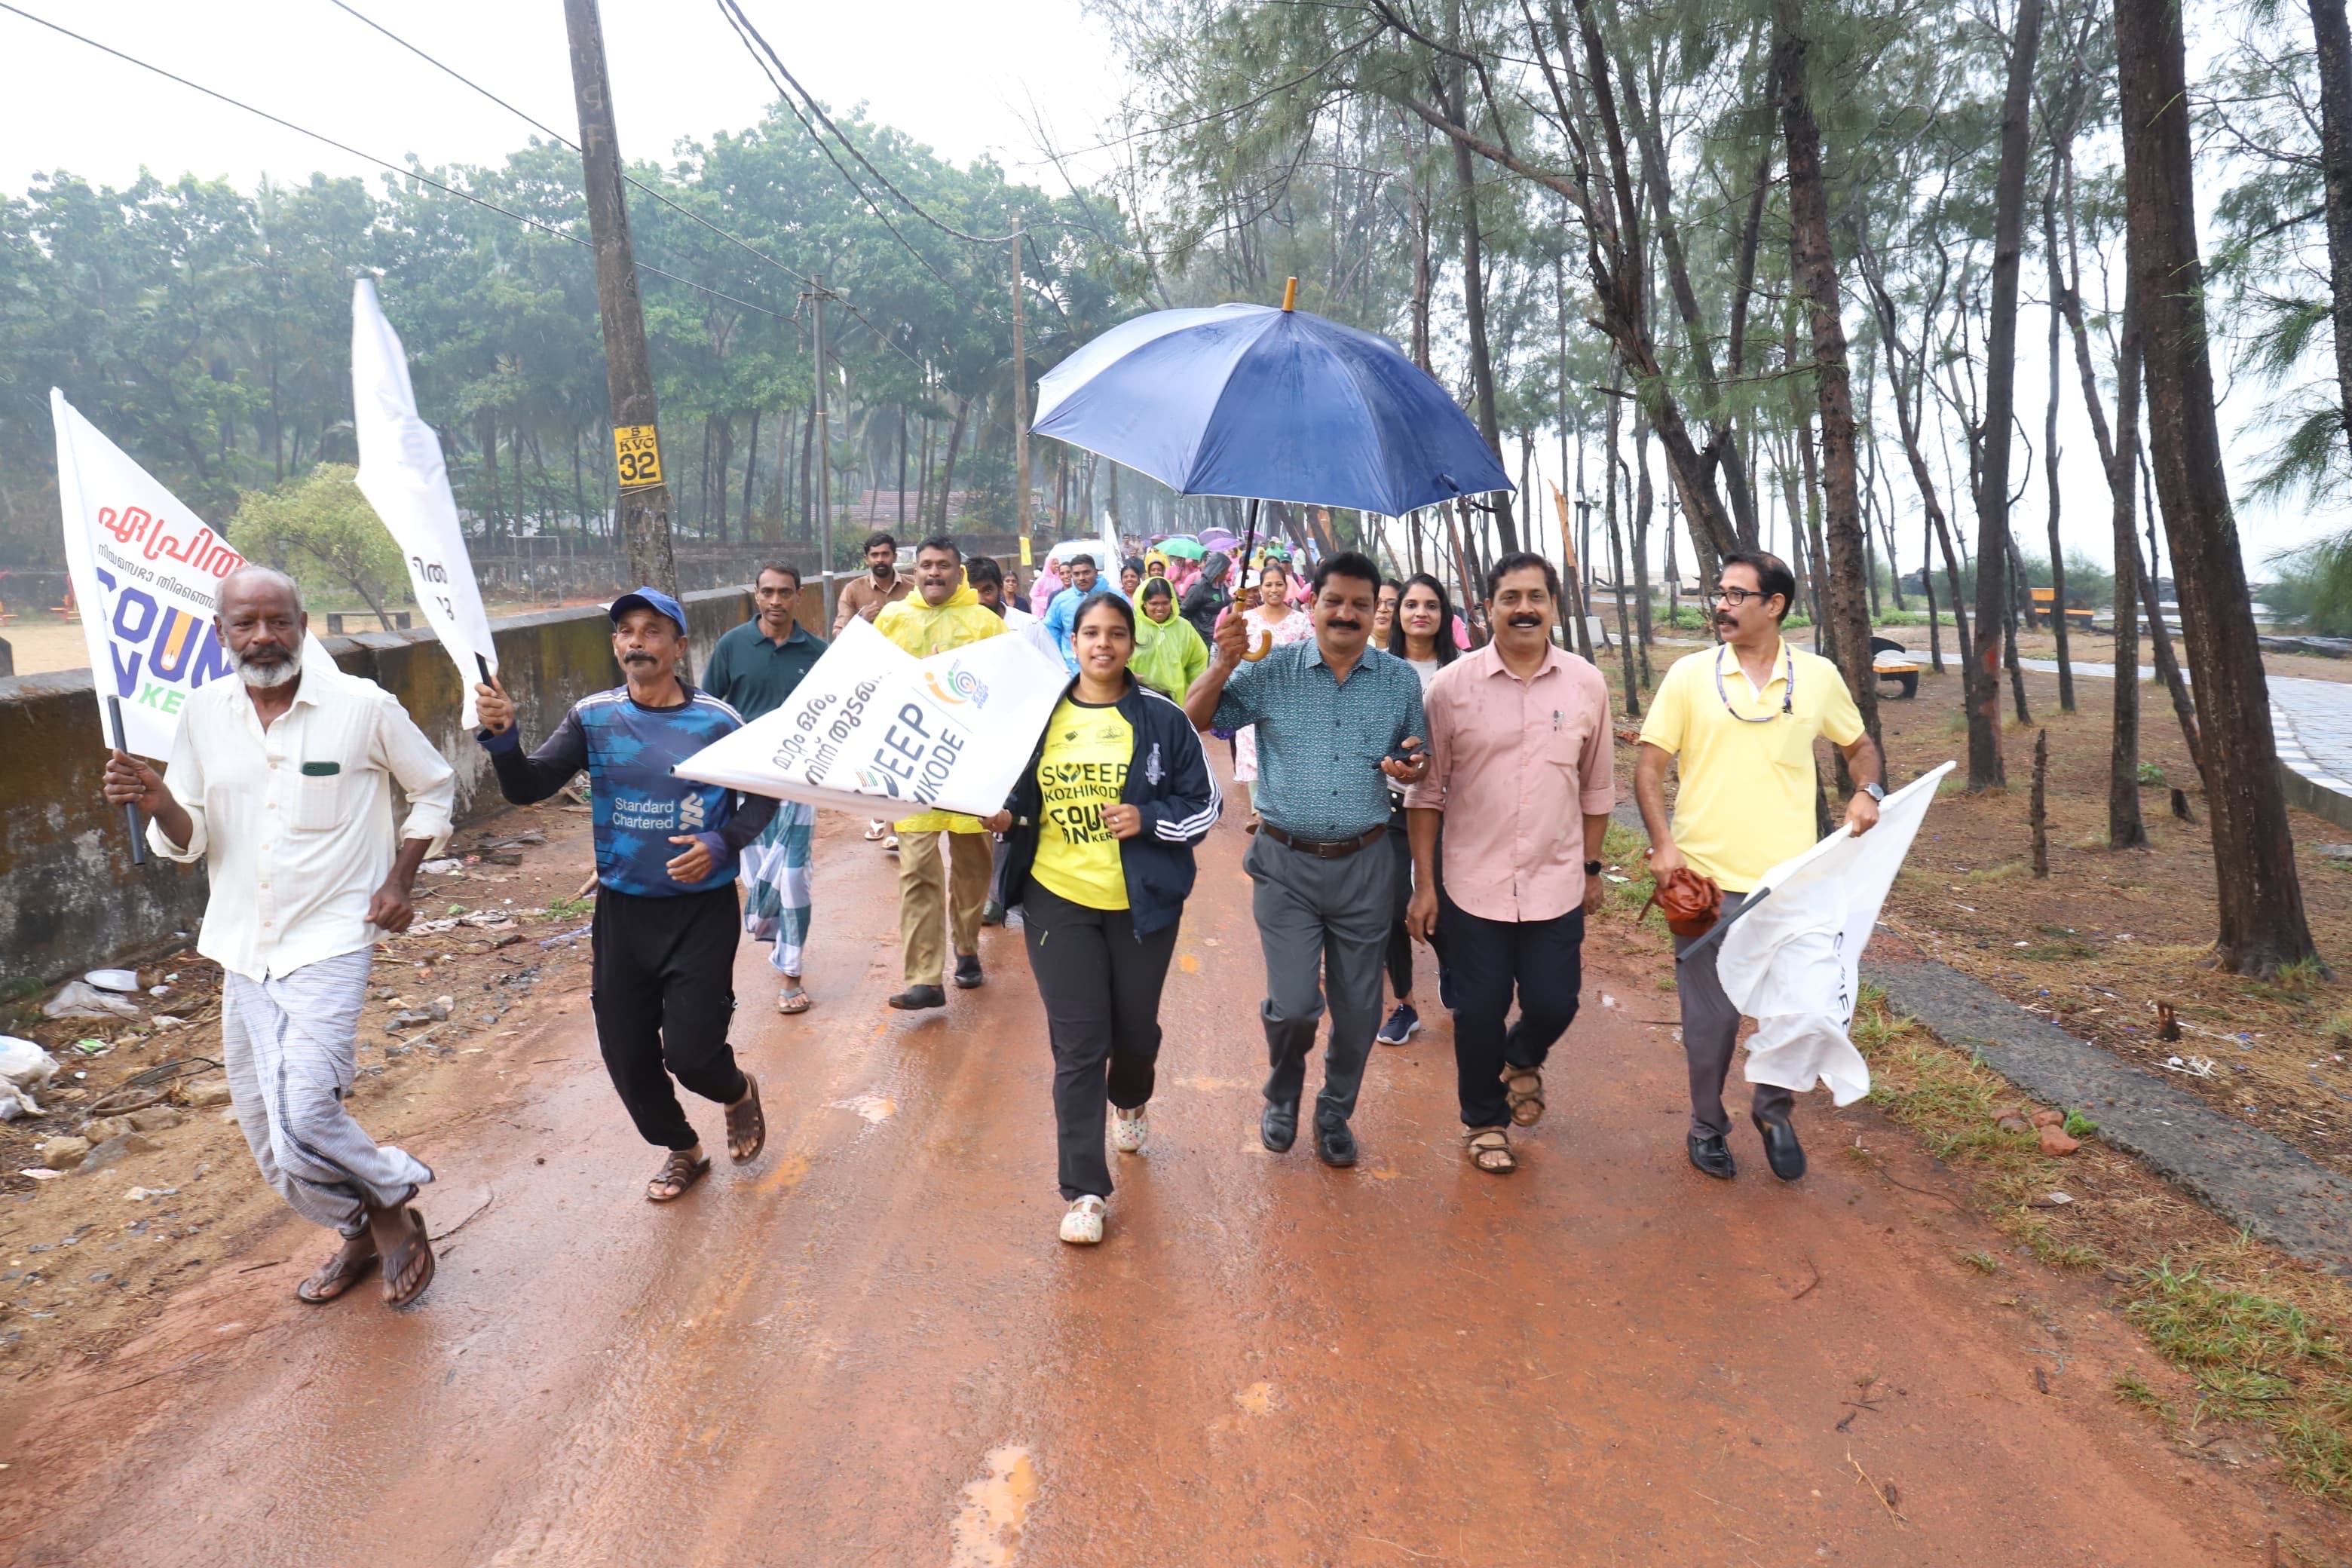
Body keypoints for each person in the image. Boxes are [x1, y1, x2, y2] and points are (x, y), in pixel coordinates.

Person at [104, 565, 448, 1308]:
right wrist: (160, 803)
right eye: (246, 624)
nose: (264, 637)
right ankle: (355, 1224)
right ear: (221, 634)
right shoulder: (201, 714)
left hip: (331, 937)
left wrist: (400, 879)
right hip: (240, 947)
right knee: (269, 1144)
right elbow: (189, 839)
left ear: (302, 623)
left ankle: (393, 1198)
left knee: (305, 1114)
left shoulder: (362, 707)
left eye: (278, 621)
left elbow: (435, 788)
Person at [474, 586, 773, 1203]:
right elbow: (529, 787)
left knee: (691, 1054)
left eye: (652, 630)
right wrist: (503, 739)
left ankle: (738, 1091)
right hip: (623, 911)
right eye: (626, 631)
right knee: (627, 1055)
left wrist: (723, 843)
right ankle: (682, 1150)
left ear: (678, 646)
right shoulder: (594, 717)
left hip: (701, 912)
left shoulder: (716, 721)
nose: (637, 640)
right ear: (615, 644)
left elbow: (765, 795)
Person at [1636, 550, 1884, 1184]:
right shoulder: (1691, 676)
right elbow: (1648, 765)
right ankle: (1705, 1127)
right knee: (1711, 1022)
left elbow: (1859, 747)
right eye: (1720, 592)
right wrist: (1663, 845)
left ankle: (1773, 1111)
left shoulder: (1818, 676)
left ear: (1773, 606)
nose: (1721, 603)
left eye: (1736, 594)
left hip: (1794, 883)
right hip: (1704, 883)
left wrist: (1868, 790)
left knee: (1804, 1007)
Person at [988, 592, 1219, 1245]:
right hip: (1056, 896)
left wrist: (1149, 819)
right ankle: (1084, 1190)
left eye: (1116, 634)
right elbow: (1018, 798)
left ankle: (1134, 1096)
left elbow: (1206, 807)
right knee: (1078, 1044)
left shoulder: (1161, 719)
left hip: (1142, 904)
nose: (1103, 645)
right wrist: (1006, 816)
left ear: (1130, 643)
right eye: (1091, 633)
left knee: (1134, 1034)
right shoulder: (1041, 716)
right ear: (1074, 641)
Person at [1184, 551, 1428, 1168]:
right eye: (1334, 601)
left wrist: (1410, 766)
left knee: (1358, 1010)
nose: (1346, 614)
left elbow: (1415, 755)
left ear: (1376, 613)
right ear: (1311, 604)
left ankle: (1335, 1112)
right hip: (1285, 864)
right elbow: (1195, 719)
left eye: (1360, 604)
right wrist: (1222, 661)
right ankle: (1283, 1093)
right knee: (1294, 1005)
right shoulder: (1272, 670)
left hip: (1368, 865)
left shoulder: (1400, 680)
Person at [1406, 554, 1613, 1174]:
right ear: (1488, 607)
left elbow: (1597, 787)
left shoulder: (1586, 685)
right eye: (1510, 597)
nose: (1524, 608)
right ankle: (1484, 1121)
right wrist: (1425, 885)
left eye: (1536, 597)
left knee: (1557, 1002)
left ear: (1553, 605)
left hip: (1557, 876)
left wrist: (1593, 869)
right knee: (1477, 1010)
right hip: (1472, 880)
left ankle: (1522, 1057)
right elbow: (1426, 793)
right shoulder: (1452, 688)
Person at [874, 537, 1008, 1009]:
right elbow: (870, 686)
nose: (934, 573)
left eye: (944, 566)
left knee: (972, 868)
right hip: (912, 765)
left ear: (959, 573)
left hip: (971, 766)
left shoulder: (986, 625)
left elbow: (1006, 694)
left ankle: (967, 946)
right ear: (915, 571)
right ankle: (925, 978)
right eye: (927, 565)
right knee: (916, 871)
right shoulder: (891, 621)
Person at [703, 563, 826, 1014]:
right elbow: (709, 708)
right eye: (768, 592)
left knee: (794, 876)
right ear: (755, 595)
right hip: (743, 779)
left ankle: (791, 974)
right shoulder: (732, 646)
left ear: (799, 597)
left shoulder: (817, 653)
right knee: (754, 877)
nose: (776, 601)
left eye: (786, 593)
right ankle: (772, 930)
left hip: (797, 780)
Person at [1375, 572, 1462, 1045]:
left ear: (1444, 614)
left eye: (1431, 605)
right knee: (1390, 907)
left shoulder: (1463, 670)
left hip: (1449, 809)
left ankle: (1450, 963)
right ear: (1398, 613)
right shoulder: (1379, 669)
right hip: (1388, 807)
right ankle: (1404, 1004)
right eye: (1411, 605)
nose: (1420, 613)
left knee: (1443, 902)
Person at [1225, 559, 1314, 818]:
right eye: (1268, 585)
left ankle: (1283, 813)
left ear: (1287, 587)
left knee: (1285, 757)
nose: (1274, 589)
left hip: (1291, 704)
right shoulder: (1246, 620)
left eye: (1279, 584)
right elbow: (1234, 657)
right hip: (1252, 701)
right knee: (1253, 756)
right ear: (1260, 589)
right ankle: (1258, 814)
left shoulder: (1301, 622)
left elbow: (1310, 662)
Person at [1129, 575, 1208, 702]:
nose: (1160, 608)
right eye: (1154, 603)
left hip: (1177, 701)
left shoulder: (1184, 628)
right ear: (1143, 604)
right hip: (1138, 699)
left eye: (1165, 603)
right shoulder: (1131, 628)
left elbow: (1198, 662)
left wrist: (1194, 694)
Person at [833, 530, 912, 634]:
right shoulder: (853, 590)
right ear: (867, 559)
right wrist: (861, 620)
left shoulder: (914, 586)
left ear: (894, 557)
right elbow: (838, 635)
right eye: (875, 555)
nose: (880, 560)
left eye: (885, 554)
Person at [1040, 553, 1101, 672]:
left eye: (1086, 572)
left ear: (1096, 572)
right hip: (1072, 669)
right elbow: (1051, 630)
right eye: (1077, 574)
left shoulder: (1114, 597)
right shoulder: (1061, 601)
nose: (1081, 578)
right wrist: (1059, 659)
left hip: (1106, 665)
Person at [1180, 551, 1232, 644]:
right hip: (1203, 637)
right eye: (1226, 569)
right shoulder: (1199, 587)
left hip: (1220, 635)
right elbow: (1184, 612)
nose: (1228, 572)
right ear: (1219, 571)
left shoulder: (1222, 586)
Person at [1372, 579, 1401, 648]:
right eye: (1377, 602)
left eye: (1392, 604)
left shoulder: (1412, 648)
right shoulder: (1352, 645)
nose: (1383, 609)